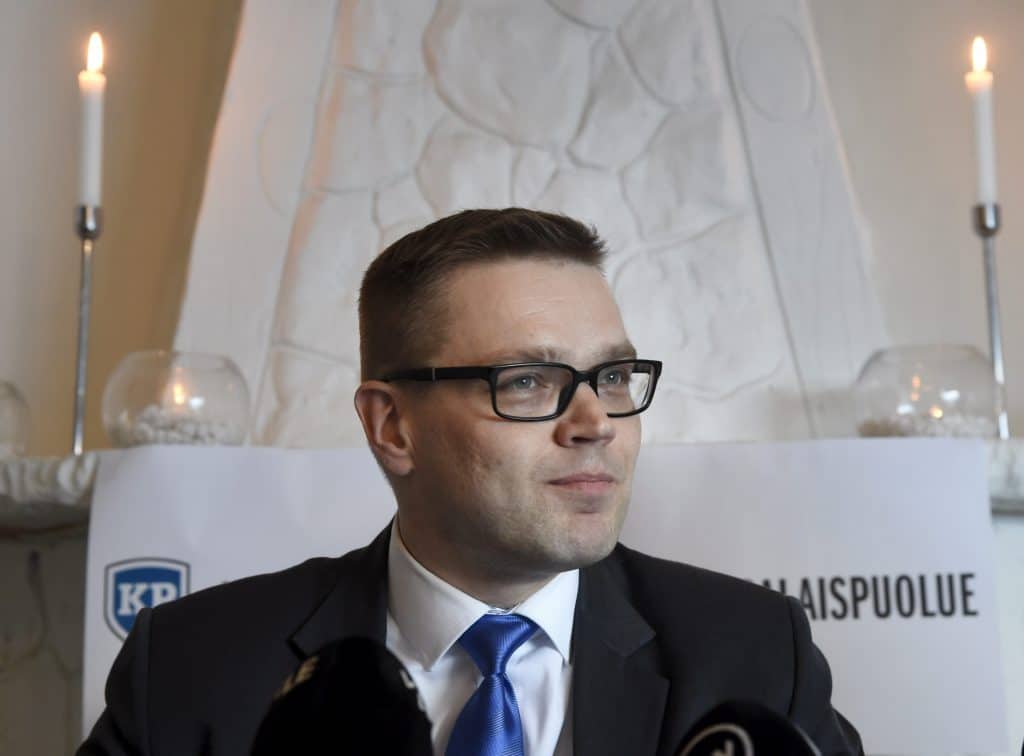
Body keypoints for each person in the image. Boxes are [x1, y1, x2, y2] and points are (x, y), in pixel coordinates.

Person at [79, 208, 862, 755]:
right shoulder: (189, 667)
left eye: (613, 376)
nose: (595, 422)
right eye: (526, 382)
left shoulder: (756, 652)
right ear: (393, 427)